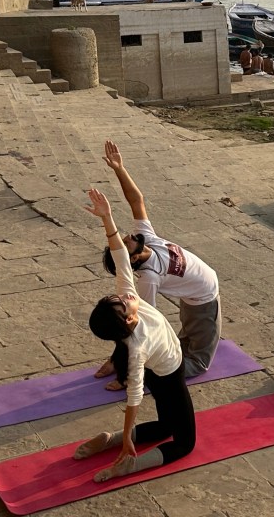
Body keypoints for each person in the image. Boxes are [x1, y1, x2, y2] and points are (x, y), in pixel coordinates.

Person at [78, 187, 196, 483]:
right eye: (124, 302)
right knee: (184, 442)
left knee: (165, 425)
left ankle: (110, 439)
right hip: (169, 371)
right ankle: (129, 461)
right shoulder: (137, 345)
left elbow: (120, 257)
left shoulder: (127, 312)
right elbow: (133, 398)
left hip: (159, 369)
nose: (127, 296)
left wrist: (107, 219)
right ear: (129, 318)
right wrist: (130, 445)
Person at [94, 140, 221, 387]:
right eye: (125, 242)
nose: (128, 237)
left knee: (182, 342)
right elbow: (142, 324)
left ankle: (138, 365)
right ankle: (152, 374)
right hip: (204, 299)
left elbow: (136, 200)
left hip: (191, 297)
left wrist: (119, 169)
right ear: (131, 258)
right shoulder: (149, 277)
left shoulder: (147, 238)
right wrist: (125, 369)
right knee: (199, 362)